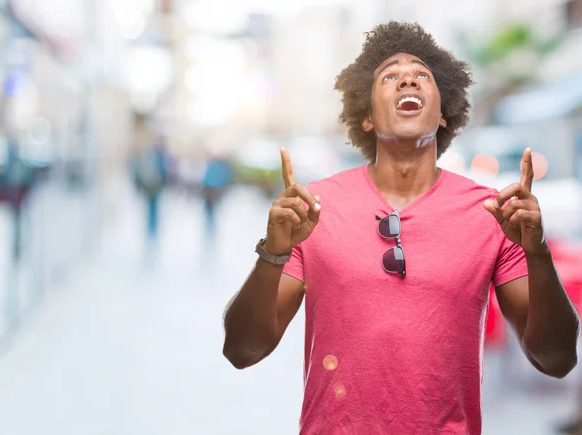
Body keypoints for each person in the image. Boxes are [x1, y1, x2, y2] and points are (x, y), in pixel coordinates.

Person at [222, 22, 580, 434]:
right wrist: (273, 251)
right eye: (389, 75)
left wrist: (538, 252)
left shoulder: (491, 213)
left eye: (421, 75)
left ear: (444, 114)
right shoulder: (313, 209)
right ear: (368, 118)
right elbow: (242, 350)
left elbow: (557, 359)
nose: (407, 77)